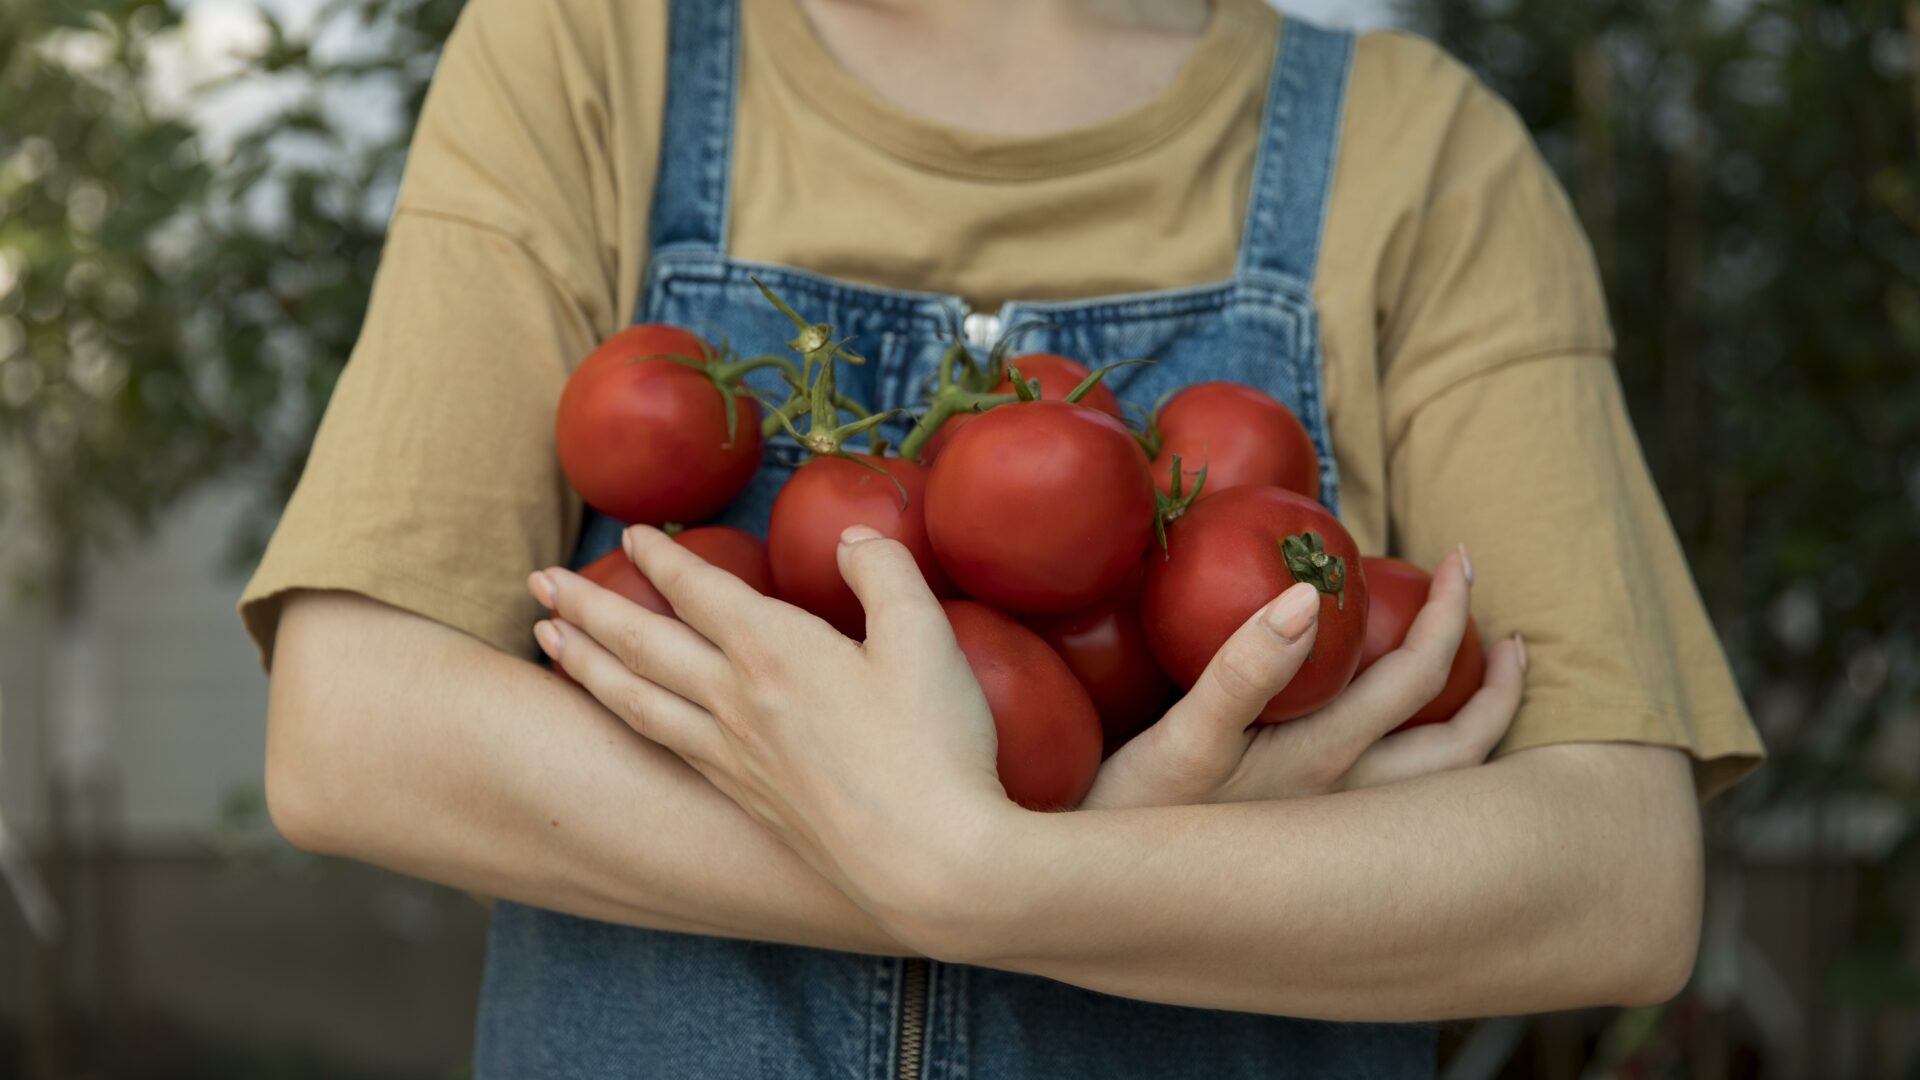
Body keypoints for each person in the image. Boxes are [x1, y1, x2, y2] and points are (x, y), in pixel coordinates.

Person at [240, 0, 1765, 1074]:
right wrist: (983, 856)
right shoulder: (591, 53)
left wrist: (994, 877)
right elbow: (356, 727)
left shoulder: (1420, 155)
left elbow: (1614, 880)